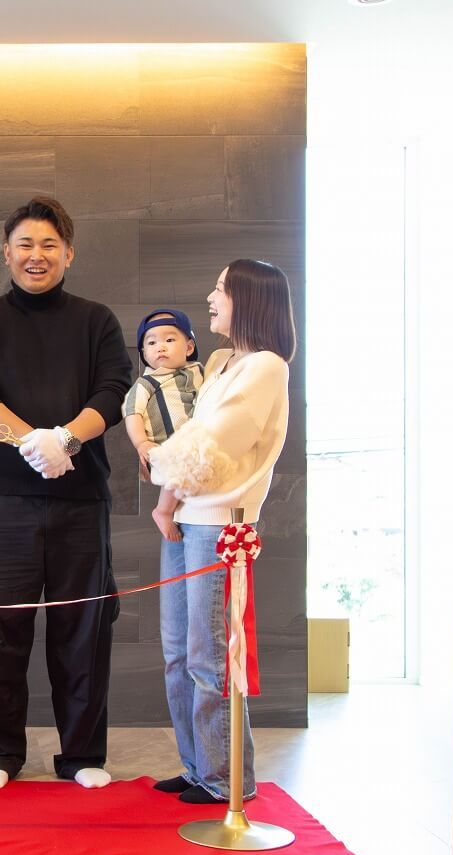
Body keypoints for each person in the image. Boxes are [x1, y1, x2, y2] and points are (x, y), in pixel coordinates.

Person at [0, 196, 132, 791]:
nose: (37, 255)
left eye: (49, 244)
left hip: (82, 502)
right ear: (6, 252)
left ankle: (82, 754)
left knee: (84, 631)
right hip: (4, 503)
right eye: (25, 244)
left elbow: (114, 390)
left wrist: (66, 440)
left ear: (69, 253)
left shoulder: (97, 320)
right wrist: (30, 442)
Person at [145, 259, 296, 805]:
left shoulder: (265, 367)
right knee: (178, 654)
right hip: (187, 519)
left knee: (209, 657)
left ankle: (225, 779)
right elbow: (191, 438)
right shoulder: (222, 362)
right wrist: (169, 490)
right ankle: (197, 766)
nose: (210, 298)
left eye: (220, 289)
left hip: (219, 526)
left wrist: (161, 479)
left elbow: (208, 448)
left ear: (248, 299)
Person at [123, 309, 206, 543]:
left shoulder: (199, 372)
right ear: (144, 353)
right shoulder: (146, 383)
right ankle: (163, 510)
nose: (160, 347)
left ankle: (179, 507)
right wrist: (141, 442)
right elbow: (132, 412)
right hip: (163, 445)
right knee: (177, 468)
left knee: (190, 471)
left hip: (194, 444)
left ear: (188, 347)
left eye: (169, 340)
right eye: (152, 343)